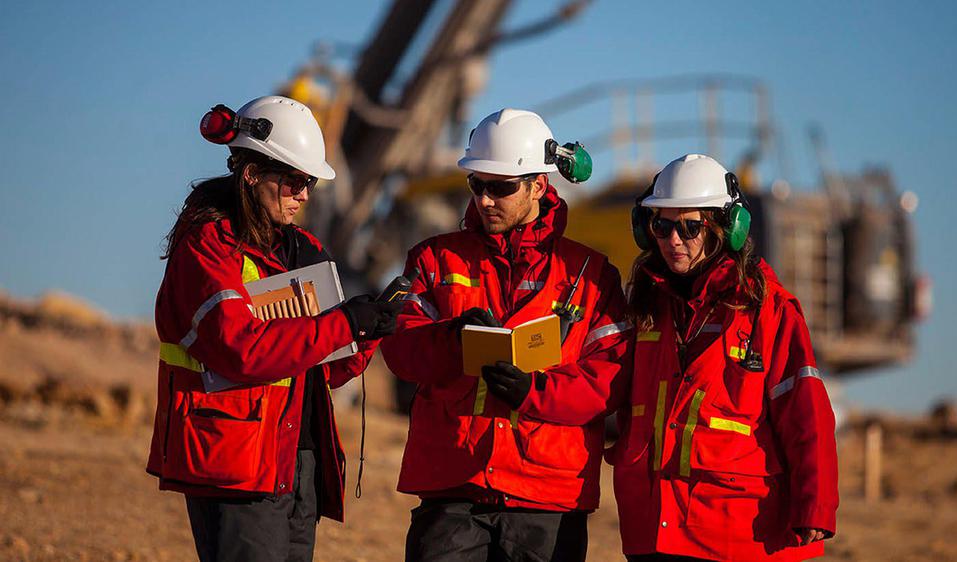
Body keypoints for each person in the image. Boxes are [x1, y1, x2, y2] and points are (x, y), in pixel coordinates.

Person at [146, 95, 402, 562]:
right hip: (234, 460)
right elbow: (239, 348)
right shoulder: (208, 248)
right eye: (295, 181)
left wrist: (364, 335)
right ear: (251, 174)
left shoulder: (304, 248)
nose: (304, 194)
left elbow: (323, 371)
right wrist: (341, 324)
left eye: (309, 184)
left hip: (296, 458)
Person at [380, 108, 632, 561]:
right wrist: (453, 338)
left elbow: (609, 377)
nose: (486, 200)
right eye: (477, 185)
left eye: (501, 187)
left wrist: (534, 391)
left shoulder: (592, 275)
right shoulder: (434, 260)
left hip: (547, 498)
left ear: (539, 185)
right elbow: (401, 348)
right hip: (453, 488)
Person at [609, 154, 838, 561]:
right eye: (661, 225)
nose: (673, 240)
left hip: (735, 534)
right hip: (652, 528)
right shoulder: (644, 305)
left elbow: (805, 412)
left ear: (725, 229)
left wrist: (814, 507)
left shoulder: (768, 309)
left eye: (689, 227)